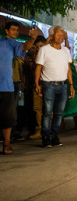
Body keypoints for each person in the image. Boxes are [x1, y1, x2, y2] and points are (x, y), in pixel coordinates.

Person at [0, 21, 40, 154]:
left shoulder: (10, 43)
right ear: (6, 30)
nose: (16, 32)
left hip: (6, 87)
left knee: (8, 117)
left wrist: (33, 38)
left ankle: (7, 144)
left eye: (17, 30)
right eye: (13, 29)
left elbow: (24, 47)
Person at [35, 26, 75, 148]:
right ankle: (46, 137)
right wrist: (37, 83)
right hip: (49, 85)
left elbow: (68, 69)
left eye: (62, 36)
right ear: (52, 36)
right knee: (47, 112)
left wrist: (71, 85)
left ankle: (54, 135)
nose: (61, 37)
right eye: (58, 35)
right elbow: (38, 67)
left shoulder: (65, 51)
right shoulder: (44, 49)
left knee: (58, 113)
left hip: (63, 85)